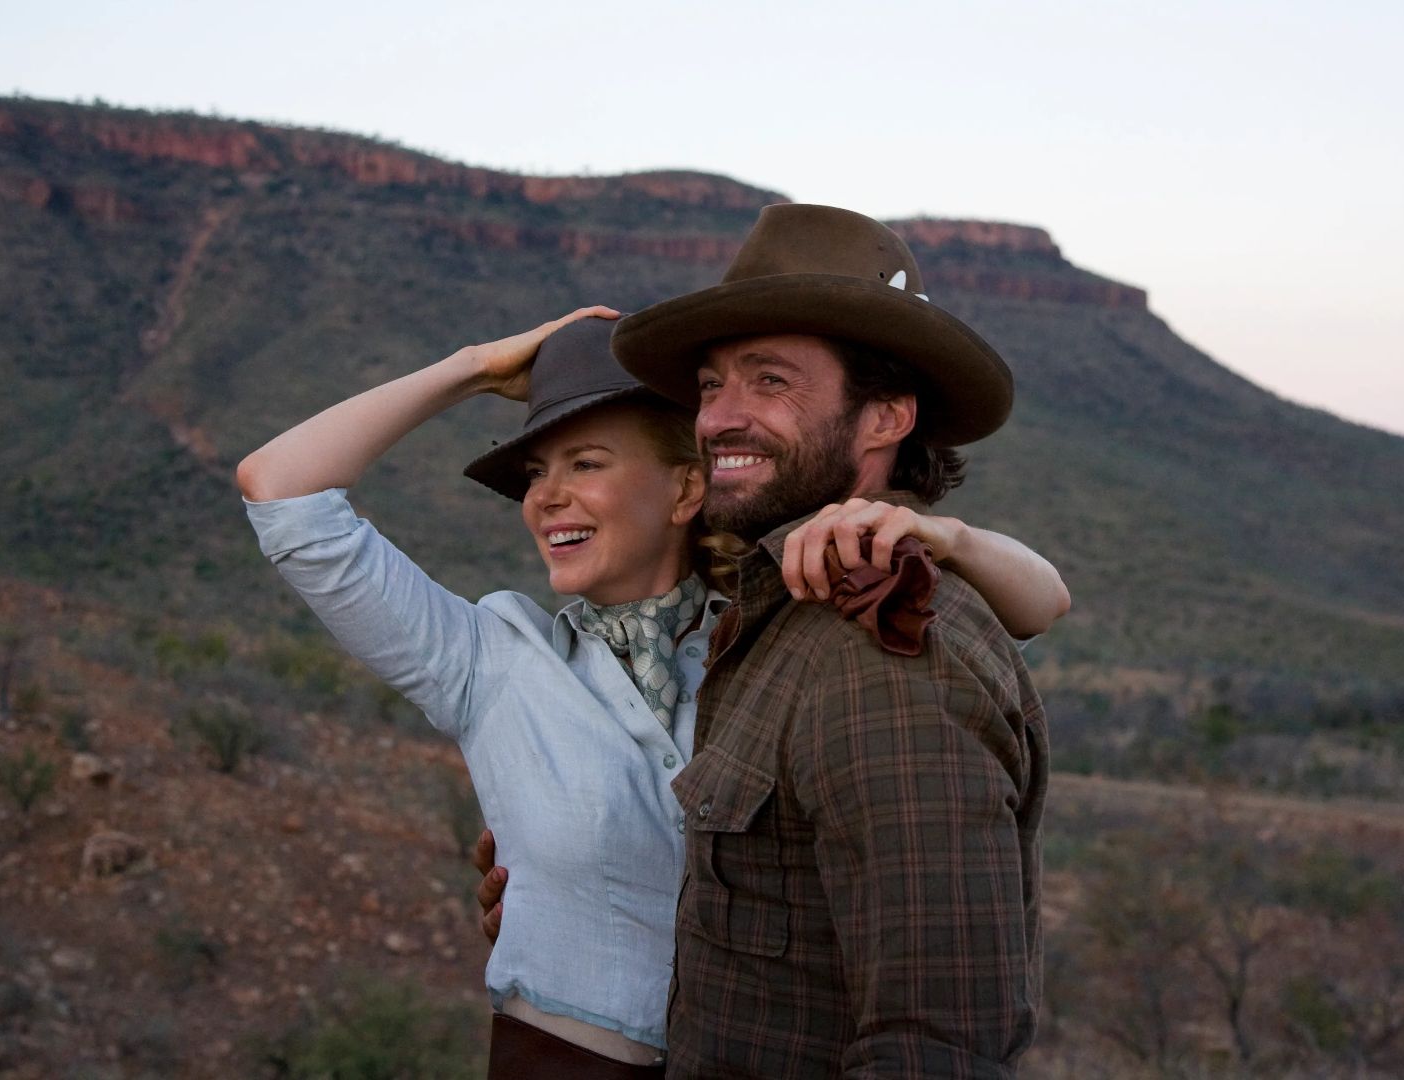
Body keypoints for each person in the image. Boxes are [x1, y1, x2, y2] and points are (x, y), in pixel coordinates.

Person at [234, 310, 1069, 1078]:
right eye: (535, 473)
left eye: (586, 464)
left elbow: (1035, 607)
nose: (546, 497)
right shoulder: (489, 660)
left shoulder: (773, 638)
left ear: (686, 490)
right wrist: (477, 367)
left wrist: (949, 538)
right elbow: (282, 490)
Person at [607, 203, 1053, 1077]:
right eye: (710, 385)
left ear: (885, 419)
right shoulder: (781, 608)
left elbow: (935, 1046)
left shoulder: (886, 643)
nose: (718, 418)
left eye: (769, 381)